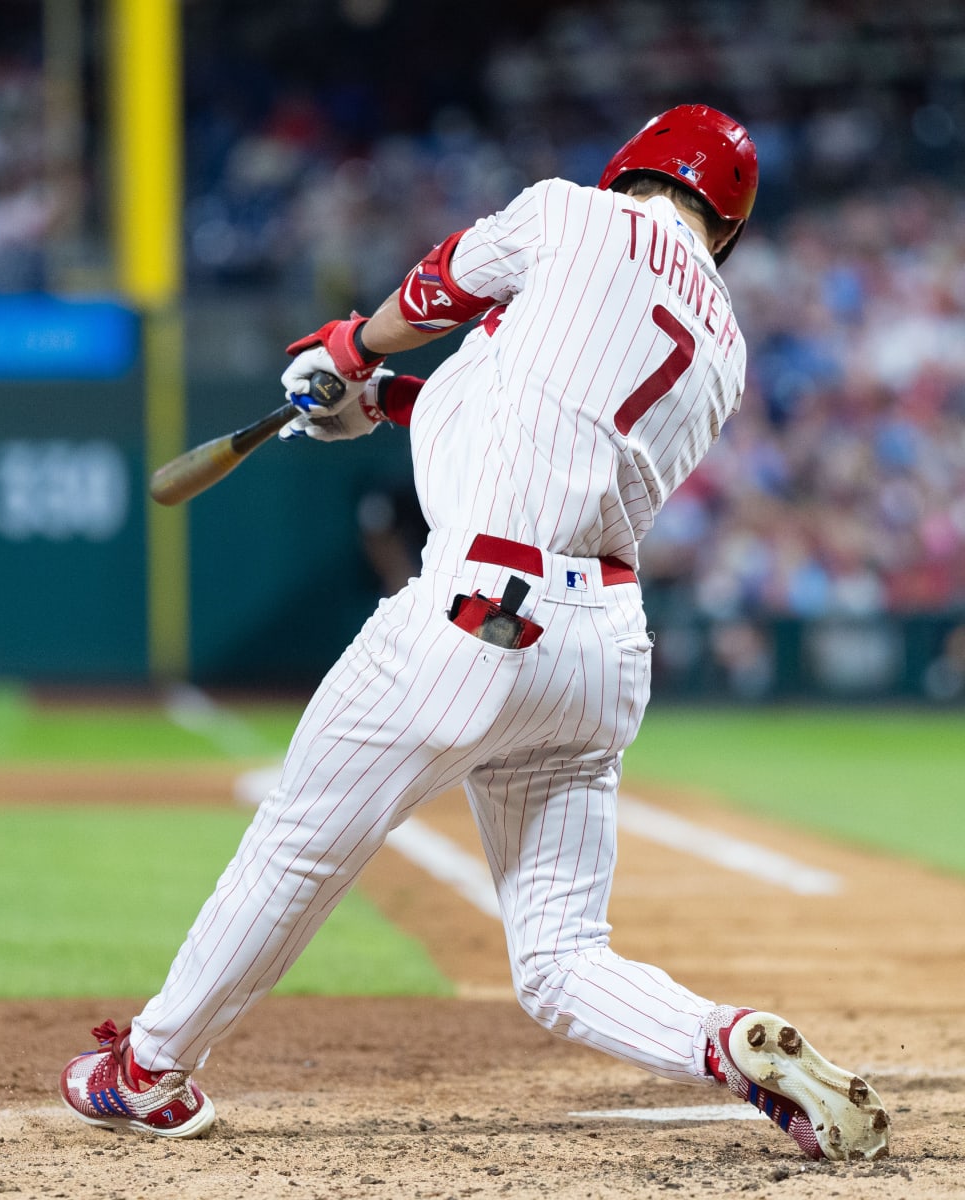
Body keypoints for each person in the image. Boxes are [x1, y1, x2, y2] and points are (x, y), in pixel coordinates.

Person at [60, 105, 890, 1162]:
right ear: (723, 225)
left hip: (479, 610)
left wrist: (352, 345)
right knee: (558, 961)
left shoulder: (570, 213)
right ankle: (722, 1041)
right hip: (601, 648)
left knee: (299, 842)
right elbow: (548, 411)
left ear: (628, 166)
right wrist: (379, 396)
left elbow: (435, 291)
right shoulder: (723, 339)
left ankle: (150, 1070)